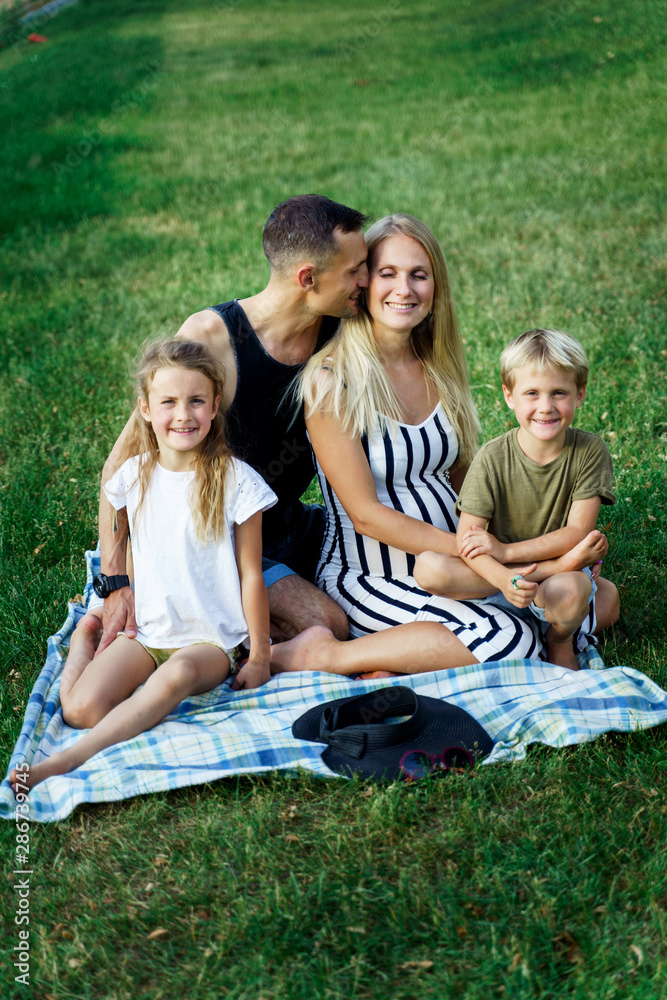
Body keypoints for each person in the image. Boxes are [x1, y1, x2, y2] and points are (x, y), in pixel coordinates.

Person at [93, 195, 370, 657]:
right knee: (327, 622)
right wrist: (117, 580)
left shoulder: (342, 332)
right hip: (212, 543)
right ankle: (223, 649)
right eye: (355, 270)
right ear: (308, 278)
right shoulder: (212, 339)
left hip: (285, 524)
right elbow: (119, 467)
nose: (365, 280)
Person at [270, 214, 543, 679]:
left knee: (574, 605)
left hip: (450, 571)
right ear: (363, 283)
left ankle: (400, 660)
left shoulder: (437, 366)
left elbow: (465, 480)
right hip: (371, 576)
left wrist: (518, 543)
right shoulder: (331, 380)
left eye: (419, 275)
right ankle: (326, 656)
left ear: (435, 287)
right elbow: (365, 515)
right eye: (388, 273)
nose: (405, 289)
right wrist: (474, 550)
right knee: (511, 638)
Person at [10, 340, 276, 792]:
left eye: (196, 401)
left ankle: (67, 759)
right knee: (79, 710)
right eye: (168, 402)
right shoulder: (132, 477)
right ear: (146, 409)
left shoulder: (238, 481)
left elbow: (252, 574)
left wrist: (262, 655)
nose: (183, 414)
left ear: (214, 406)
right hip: (149, 634)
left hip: (209, 642)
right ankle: (84, 638)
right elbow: (127, 543)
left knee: (178, 675)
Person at [413, 328, 616, 671]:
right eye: (532, 393)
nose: (546, 407)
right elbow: (469, 540)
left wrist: (507, 552)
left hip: (552, 585)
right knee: (429, 567)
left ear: (580, 395)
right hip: (494, 582)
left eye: (559, 393)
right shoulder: (492, 457)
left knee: (602, 598)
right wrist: (505, 576)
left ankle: (559, 638)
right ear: (509, 396)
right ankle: (543, 600)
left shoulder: (590, 450)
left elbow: (577, 533)